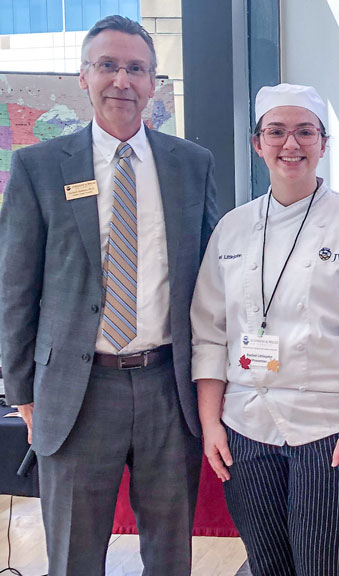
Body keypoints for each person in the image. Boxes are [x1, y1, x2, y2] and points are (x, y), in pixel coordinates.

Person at [0, 15, 218, 576]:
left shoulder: (192, 166)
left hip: (169, 387)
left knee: (170, 555)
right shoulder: (38, 167)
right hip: (77, 391)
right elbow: (15, 289)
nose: (122, 80)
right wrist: (22, 389)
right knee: (74, 555)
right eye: (108, 66)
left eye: (136, 69)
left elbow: (215, 284)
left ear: (153, 83)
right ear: (85, 76)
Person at [190, 83, 339, 576]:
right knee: (266, 566)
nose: (291, 144)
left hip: (332, 430)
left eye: (305, 132)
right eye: (277, 132)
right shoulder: (232, 228)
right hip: (246, 426)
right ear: (256, 143)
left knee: (327, 565)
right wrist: (210, 424)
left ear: (323, 143)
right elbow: (210, 334)